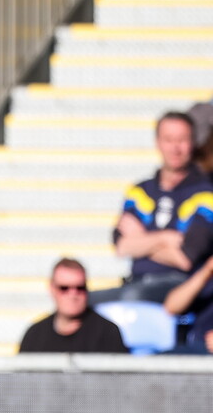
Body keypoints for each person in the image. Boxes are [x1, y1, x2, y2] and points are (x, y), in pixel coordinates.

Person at [89, 111, 213, 306]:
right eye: (168, 139)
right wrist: (165, 239)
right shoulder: (140, 191)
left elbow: (185, 259)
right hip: (136, 281)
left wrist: (141, 240)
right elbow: (121, 246)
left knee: (133, 299)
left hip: (179, 288)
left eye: (182, 140)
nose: (175, 148)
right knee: (84, 303)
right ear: (158, 142)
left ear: (193, 143)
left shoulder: (206, 194)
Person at [20, 258, 128, 353]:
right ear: (52, 289)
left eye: (80, 288)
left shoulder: (108, 333)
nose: (73, 294)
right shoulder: (34, 336)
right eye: (64, 288)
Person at [163, 253, 213, 354]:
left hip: (207, 352)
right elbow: (171, 307)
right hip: (198, 346)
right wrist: (206, 270)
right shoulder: (206, 273)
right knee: (161, 359)